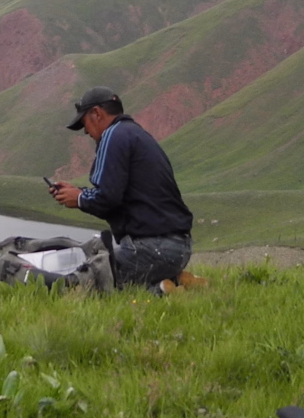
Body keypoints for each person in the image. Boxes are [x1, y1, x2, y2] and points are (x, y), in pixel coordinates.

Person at [48, 86, 195, 291]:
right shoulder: (136, 134)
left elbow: (107, 198)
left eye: (85, 124)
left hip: (152, 248)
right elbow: (116, 192)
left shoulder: (112, 135)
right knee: (118, 280)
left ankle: (163, 289)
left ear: (97, 114)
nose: (86, 132)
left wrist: (80, 199)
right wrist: (78, 192)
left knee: (89, 282)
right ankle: (172, 282)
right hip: (179, 249)